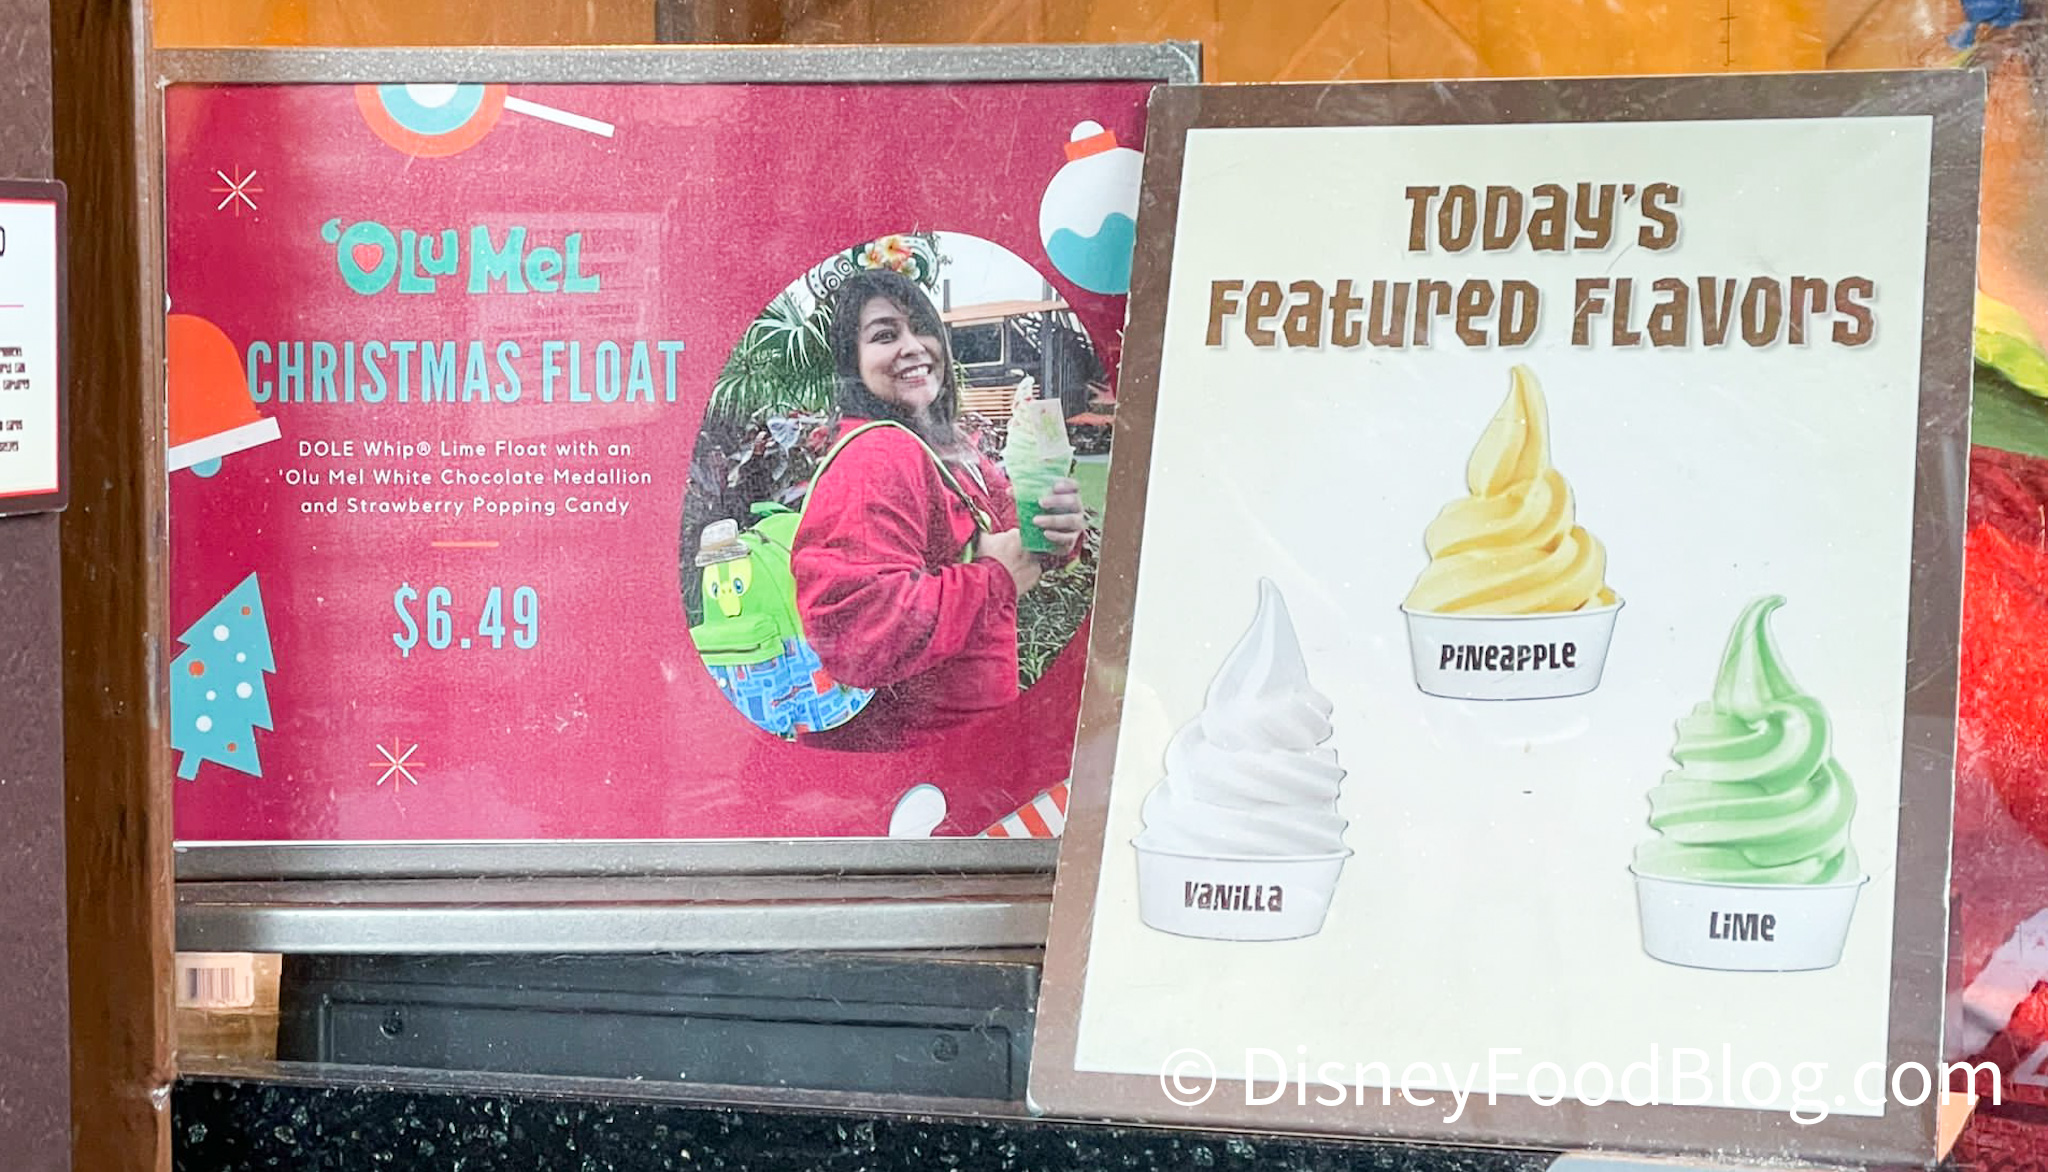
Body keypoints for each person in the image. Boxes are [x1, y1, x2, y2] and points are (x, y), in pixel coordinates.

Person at [791, 268, 1086, 751]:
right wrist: (994, 578)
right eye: (885, 335)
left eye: (922, 328)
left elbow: (1014, 536)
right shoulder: (878, 455)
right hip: (923, 756)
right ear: (852, 361)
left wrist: (1057, 531)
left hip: (970, 738)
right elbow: (860, 631)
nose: (913, 347)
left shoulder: (945, 444)